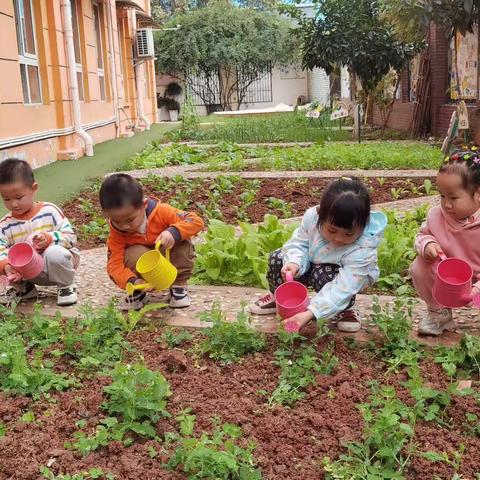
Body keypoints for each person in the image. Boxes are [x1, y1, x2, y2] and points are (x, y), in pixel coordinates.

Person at [249, 178, 387, 333]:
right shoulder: (312, 218)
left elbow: (344, 286)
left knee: (325, 275)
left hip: (341, 276)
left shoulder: (363, 248)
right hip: (312, 261)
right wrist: (295, 262)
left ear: (364, 224)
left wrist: (310, 313)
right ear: (320, 214)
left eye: (349, 234)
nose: (338, 239)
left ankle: (345, 308)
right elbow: (299, 243)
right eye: (332, 231)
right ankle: (279, 297)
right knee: (278, 259)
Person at [100, 173, 204, 310]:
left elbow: (196, 221)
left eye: (130, 219)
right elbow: (114, 265)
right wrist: (132, 281)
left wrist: (173, 232)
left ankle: (178, 285)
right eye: (116, 221)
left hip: (168, 258)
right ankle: (139, 291)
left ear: (143, 205)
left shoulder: (162, 212)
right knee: (130, 253)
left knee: (181, 242)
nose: (124, 226)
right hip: (144, 271)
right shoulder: (116, 234)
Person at [410, 148, 480, 335]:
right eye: (442, 196)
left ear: (478, 194)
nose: (446, 204)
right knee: (420, 266)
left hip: (478, 280)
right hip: (448, 276)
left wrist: (476, 289)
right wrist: (428, 245)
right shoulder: (437, 216)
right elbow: (422, 235)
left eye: (453, 197)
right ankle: (439, 314)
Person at [0, 158, 79, 305]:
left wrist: (49, 238)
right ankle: (25, 289)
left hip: (55, 267)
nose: (13, 204)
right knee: (7, 259)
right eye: (6, 199)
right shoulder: (5, 225)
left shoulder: (49, 211)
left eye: (18, 197)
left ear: (33, 188)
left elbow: (71, 237)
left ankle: (66, 286)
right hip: (28, 273)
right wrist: (6, 265)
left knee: (54, 252)